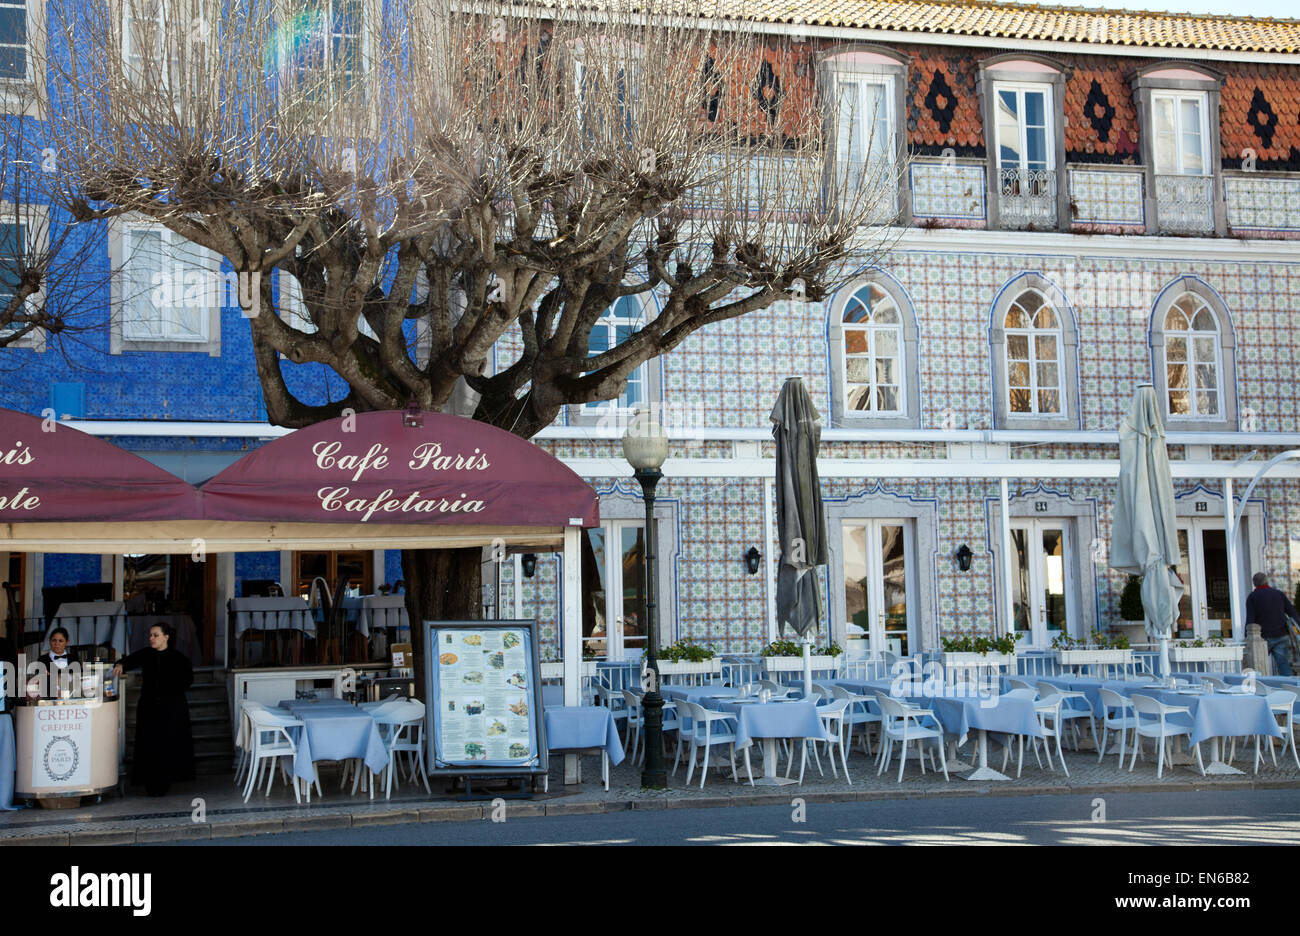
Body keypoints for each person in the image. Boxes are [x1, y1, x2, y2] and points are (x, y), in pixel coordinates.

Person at [112, 622, 195, 796]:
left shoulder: (179, 658)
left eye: (155, 635)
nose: (151, 638)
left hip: (171, 708)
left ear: (166, 637)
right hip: (149, 707)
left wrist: (170, 692)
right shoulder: (147, 654)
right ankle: (151, 782)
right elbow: (130, 660)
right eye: (150, 635)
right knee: (149, 744)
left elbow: (187, 680)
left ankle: (166, 781)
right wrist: (121, 664)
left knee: (168, 744)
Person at [1245, 572, 1299, 677]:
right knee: (1283, 664)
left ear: (1254, 584)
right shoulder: (1279, 594)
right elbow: (1292, 613)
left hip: (1262, 638)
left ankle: (1261, 688)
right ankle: (1290, 688)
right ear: (1267, 581)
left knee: (1259, 665)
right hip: (1281, 634)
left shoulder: (1252, 597)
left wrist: (1247, 637)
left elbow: (1250, 620)